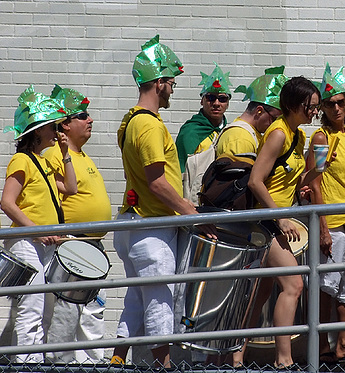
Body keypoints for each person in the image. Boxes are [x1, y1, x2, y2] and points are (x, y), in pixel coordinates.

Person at [111, 35, 215, 368]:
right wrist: (192, 214)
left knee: (136, 298)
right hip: (150, 228)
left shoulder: (131, 121)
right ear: (158, 83)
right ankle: (163, 365)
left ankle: (116, 358)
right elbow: (157, 183)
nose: (173, 89)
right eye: (170, 83)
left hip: (133, 225)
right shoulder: (149, 125)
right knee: (160, 300)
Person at [207, 66, 287, 368]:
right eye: (274, 116)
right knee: (237, 293)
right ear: (262, 110)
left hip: (244, 226)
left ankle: (231, 355)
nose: (275, 123)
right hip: (237, 227)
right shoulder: (240, 137)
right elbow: (241, 189)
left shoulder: (247, 134)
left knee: (255, 291)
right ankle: (222, 358)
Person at [247, 76, 321, 369]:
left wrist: (317, 171)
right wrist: (279, 217)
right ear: (292, 104)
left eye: (316, 107)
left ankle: (233, 354)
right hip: (265, 221)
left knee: (262, 291)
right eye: (310, 106)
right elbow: (255, 181)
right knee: (293, 284)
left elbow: (295, 182)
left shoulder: (298, 135)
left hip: (278, 219)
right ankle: (284, 360)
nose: (314, 112)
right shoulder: (278, 133)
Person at [1, 85, 77, 363]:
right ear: (37, 131)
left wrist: (66, 153)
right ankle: (23, 364)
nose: (57, 132)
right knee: (30, 307)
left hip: (42, 242)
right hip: (27, 242)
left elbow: (70, 187)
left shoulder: (42, 162)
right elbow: (7, 202)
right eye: (52, 127)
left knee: (44, 308)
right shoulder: (21, 159)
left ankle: (33, 362)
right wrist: (36, 230)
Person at [42, 86, 112, 364]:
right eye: (83, 116)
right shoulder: (52, 155)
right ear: (65, 125)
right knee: (65, 311)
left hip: (93, 246)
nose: (90, 120)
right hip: (70, 245)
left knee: (93, 309)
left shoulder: (84, 156)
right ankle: (59, 364)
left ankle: (93, 363)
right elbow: (44, 196)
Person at [305, 64, 345, 364]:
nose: (337, 108)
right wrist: (324, 228)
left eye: (341, 102)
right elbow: (314, 181)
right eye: (330, 104)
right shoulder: (320, 139)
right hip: (335, 220)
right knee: (326, 285)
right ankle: (319, 345)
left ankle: (344, 341)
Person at [176, 62, 232, 172]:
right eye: (210, 98)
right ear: (202, 101)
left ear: (228, 104)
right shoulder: (189, 132)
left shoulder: (229, 132)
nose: (216, 103)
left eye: (222, 99)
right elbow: (179, 168)